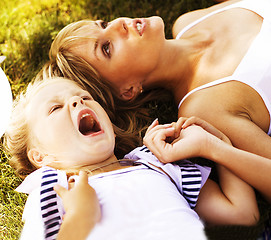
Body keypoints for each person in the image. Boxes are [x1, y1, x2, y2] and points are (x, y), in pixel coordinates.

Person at [46, 0, 271, 204]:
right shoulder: (206, 106)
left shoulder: (189, 22)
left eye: (104, 24)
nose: (119, 24)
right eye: (107, 48)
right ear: (128, 90)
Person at [4, 77, 259, 240]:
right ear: (41, 156)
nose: (76, 101)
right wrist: (81, 215)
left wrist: (218, 145)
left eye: (84, 97)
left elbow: (243, 215)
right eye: (55, 108)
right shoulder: (56, 189)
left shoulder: (156, 163)